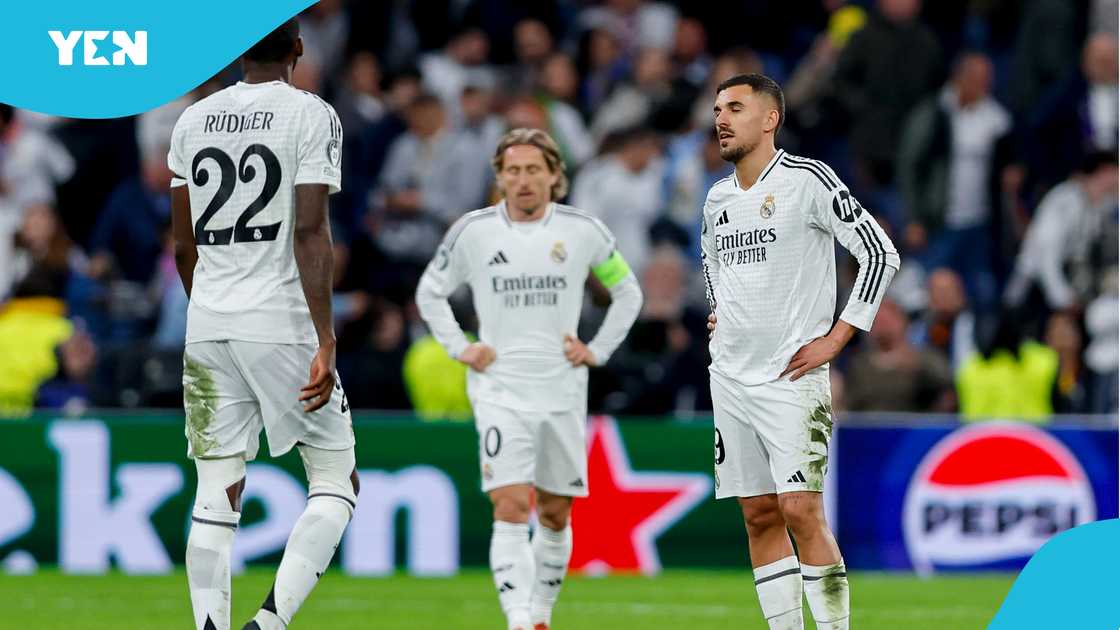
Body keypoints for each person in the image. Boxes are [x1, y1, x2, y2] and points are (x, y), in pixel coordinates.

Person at [167, 20, 357, 630]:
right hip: (279, 318)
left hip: (208, 323)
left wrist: (210, 309)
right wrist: (325, 336)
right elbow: (309, 229)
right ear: (299, 48)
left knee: (215, 489)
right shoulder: (311, 113)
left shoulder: (191, 120)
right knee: (335, 477)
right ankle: (268, 624)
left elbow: (181, 245)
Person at [415, 128, 643, 630]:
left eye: (533, 170)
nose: (522, 180)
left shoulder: (582, 231)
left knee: (557, 513)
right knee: (511, 504)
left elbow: (628, 292)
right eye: (513, 171)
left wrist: (597, 349)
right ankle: (520, 619)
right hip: (499, 388)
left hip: (562, 389)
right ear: (499, 177)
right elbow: (430, 292)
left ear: (555, 177)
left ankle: (540, 613)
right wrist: (460, 347)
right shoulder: (473, 232)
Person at [703, 74, 899, 630]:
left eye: (736, 108)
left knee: (801, 511)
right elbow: (712, 272)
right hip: (731, 377)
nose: (722, 118)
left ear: (770, 120)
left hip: (792, 376)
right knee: (759, 515)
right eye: (718, 108)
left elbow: (880, 254)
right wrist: (718, 313)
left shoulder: (807, 179)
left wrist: (837, 337)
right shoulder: (716, 199)